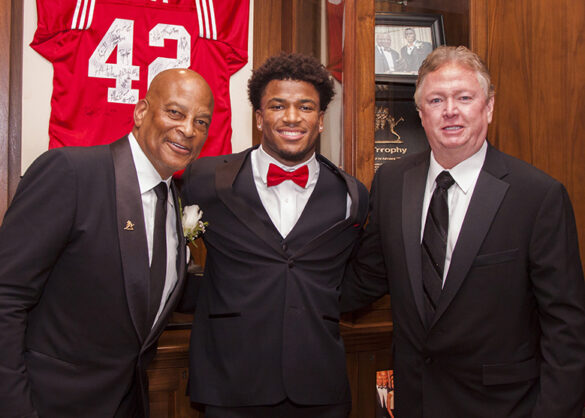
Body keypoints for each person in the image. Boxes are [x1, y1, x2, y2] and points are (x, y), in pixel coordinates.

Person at [341, 46, 585, 417]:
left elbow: (566, 328)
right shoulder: (391, 182)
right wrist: (284, 285)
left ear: (488, 107)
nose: (450, 110)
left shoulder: (537, 196)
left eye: (464, 98)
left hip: (503, 407)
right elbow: (368, 277)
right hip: (416, 403)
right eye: (436, 100)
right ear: (421, 114)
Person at [0, 68, 214, 417]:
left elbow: (146, 288)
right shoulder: (71, 173)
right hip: (49, 404)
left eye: (201, 122)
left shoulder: (172, 199)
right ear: (141, 112)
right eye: (175, 112)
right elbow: (6, 296)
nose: (189, 130)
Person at [180, 52, 369, 417]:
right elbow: (169, 253)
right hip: (230, 383)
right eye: (278, 106)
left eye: (306, 107)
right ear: (259, 117)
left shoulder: (352, 195)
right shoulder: (205, 179)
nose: (292, 117)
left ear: (320, 120)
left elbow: (361, 273)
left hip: (319, 385)